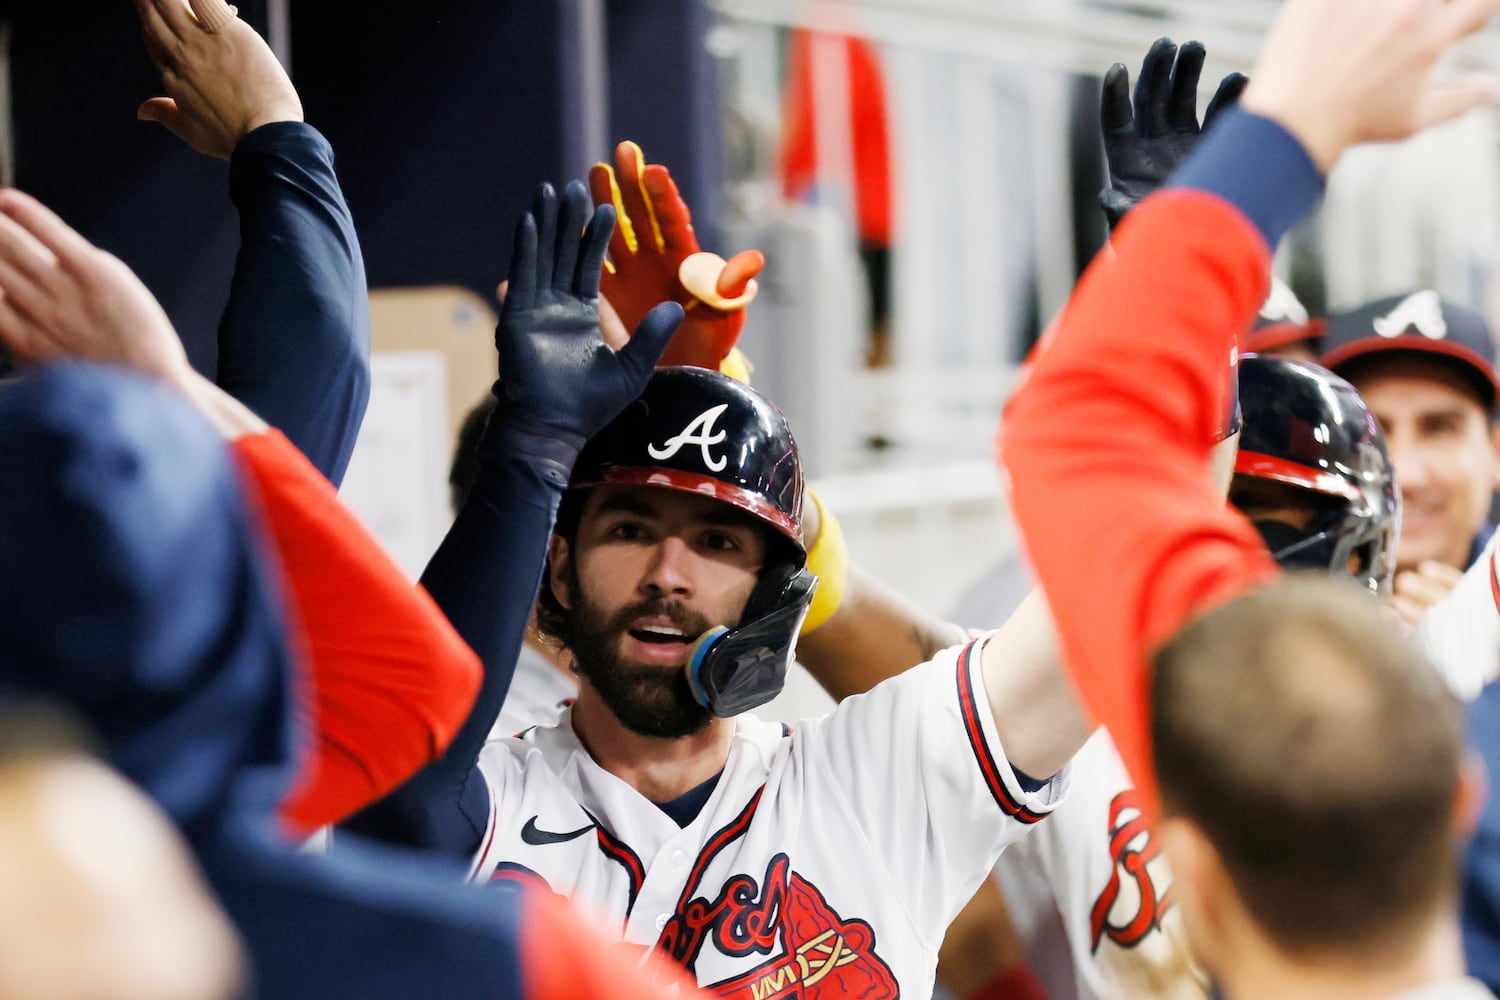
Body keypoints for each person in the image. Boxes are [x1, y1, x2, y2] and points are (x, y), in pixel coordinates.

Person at [348, 177, 1091, 1000]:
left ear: (773, 589)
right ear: (558, 568)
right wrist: (531, 445)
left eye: (717, 542)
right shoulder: (492, 801)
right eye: (630, 530)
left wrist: (1189, 293)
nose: (669, 575)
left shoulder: (868, 777)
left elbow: (1103, 612)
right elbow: (400, 772)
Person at [0, 173, 701, 999]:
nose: (668, 574)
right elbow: (416, 694)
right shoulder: (503, 963)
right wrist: (161, 374)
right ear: (238, 631)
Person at [1000, 0, 1497, 995]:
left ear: (1200, 886)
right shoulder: (1438, 705)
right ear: (1462, 798)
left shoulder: (1225, 712)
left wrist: (1288, 135)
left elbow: (1082, 432)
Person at [1319, 289, 1500, 624]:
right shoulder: (1258, 601)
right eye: (1368, 430)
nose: (1404, 474)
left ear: (1495, 453)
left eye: (1438, 429)